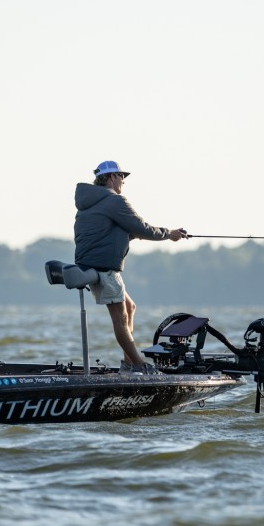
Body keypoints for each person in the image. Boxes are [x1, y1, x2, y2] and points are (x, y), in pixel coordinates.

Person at [74, 160, 187, 374]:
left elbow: (110, 233)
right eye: (121, 176)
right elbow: (141, 227)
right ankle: (139, 365)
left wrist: (136, 234)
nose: (123, 181)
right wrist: (169, 234)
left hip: (91, 263)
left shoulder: (90, 202)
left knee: (129, 307)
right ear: (111, 177)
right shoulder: (114, 200)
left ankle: (128, 363)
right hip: (104, 268)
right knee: (121, 318)